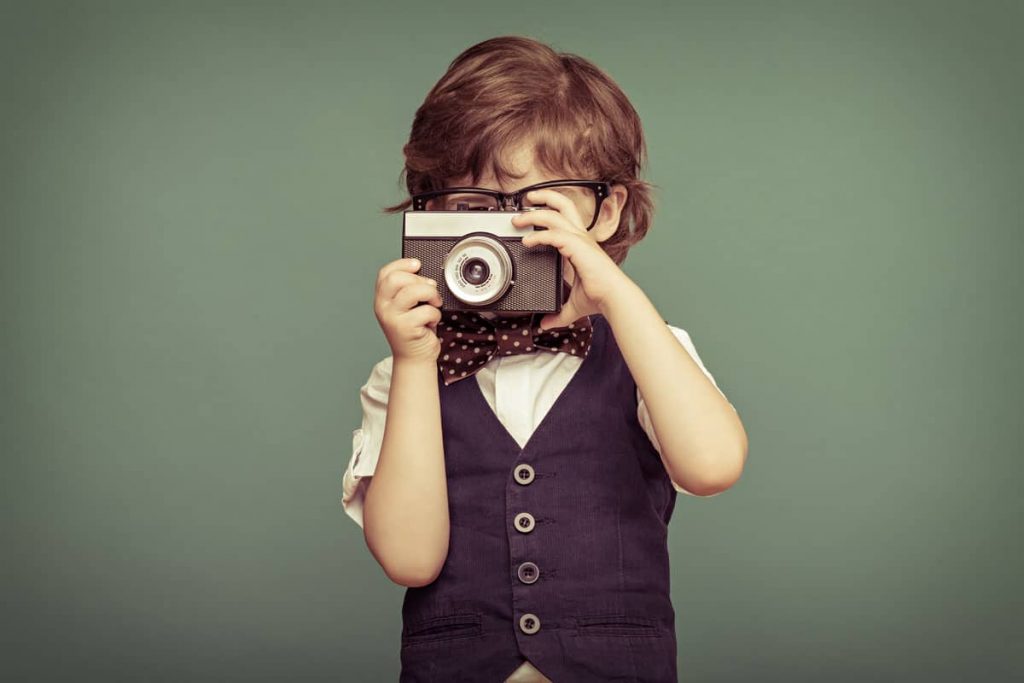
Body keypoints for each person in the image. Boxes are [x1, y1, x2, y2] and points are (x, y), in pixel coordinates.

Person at [341, 35, 748, 682]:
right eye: (472, 209)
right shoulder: (405, 372)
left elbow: (713, 465)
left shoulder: (645, 350)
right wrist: (415, 363)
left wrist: (615, 295)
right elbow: (410, 559)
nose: (505, 232)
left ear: (605, 210)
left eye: (537, 207)